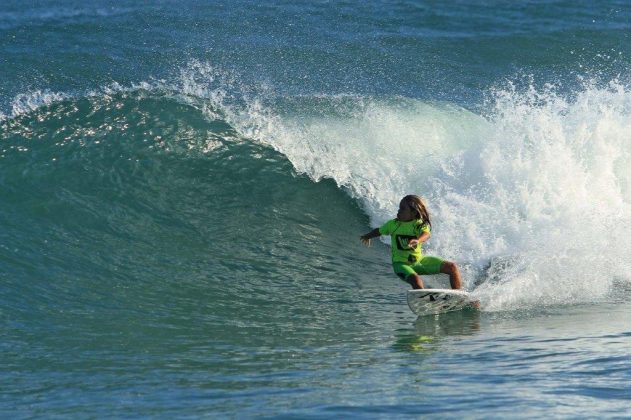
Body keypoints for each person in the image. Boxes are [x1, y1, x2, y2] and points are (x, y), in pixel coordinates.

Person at [360, 195, 462, 290]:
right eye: (399, 208)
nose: (399, 211)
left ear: (413, 213)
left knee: (452, 267)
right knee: (416, 280)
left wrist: (418, 240)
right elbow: (379, 231)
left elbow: (426, 234)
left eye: (403, 209)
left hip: (419, 261)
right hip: (401, 265)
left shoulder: (419, 224)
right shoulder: (393, 224)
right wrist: (367, 236)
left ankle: (458, 295)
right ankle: (423, 299)